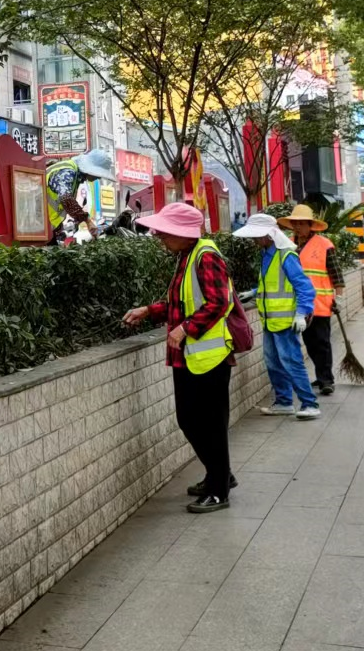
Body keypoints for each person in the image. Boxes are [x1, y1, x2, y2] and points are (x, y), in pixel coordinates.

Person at [122, 202, 236, 513]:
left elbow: (218, 303)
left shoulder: (205, 257)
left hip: (207, 357)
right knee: (192, 420)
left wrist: (186, 329)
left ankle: (219, 489)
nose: (159, 237)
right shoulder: (188, 256)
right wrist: (149, 311)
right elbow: (183, 302)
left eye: (164, 233)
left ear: (184, 233)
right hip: (190, 356)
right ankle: (219, 474)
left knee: (207, 424)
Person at [234, 213, 320, 420]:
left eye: (256, 236)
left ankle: (310, 404)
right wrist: (254, 292)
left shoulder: (285, 256)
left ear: (268, 235)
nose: (253, 240)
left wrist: (301, 314)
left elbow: (305, 288)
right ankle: (284, 402)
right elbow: (275, 284)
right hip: (271, 321)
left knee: (292, 362)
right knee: (273, 362)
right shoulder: (267, 254)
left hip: (285, 322)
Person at [282, 205, 344, 396]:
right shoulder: (287, 245)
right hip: (297, 305)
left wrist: (339, 297)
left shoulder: (324, 245)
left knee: (321, 343)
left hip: (320, 304)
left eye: (302, 223)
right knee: (309, 343)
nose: (298, 227)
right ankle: (320, 374)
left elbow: (336, 275)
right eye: (295, 224)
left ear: (310, 225)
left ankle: (326, 380)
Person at [46, 149, 116, 244]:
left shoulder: (74, 175)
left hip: (47, 227)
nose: (99, 177)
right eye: (98, 173)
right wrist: (87, 221)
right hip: (38, 226)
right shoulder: (67, 172)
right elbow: (66, 199)